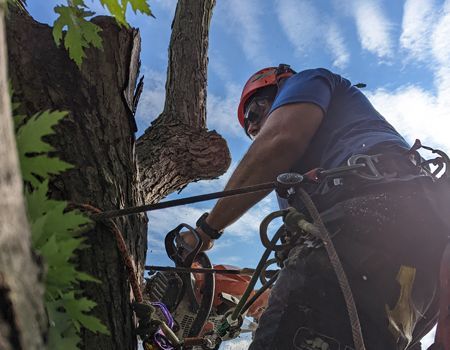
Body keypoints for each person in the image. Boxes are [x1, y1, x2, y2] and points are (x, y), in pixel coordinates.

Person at [182, 64, 450, 349]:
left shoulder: (308, 80)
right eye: (249, 128)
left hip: (375, 214)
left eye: (255, 113)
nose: (252, 127)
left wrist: (205, 231)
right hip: (420, 261)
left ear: (281, 87)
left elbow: (279, 140)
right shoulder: (296, 186)